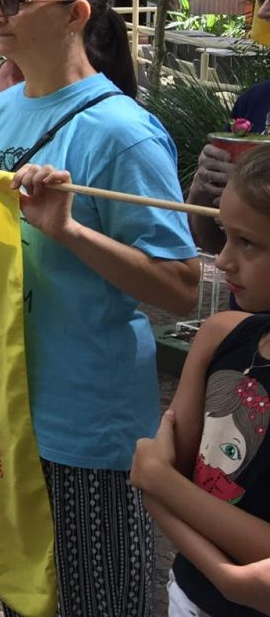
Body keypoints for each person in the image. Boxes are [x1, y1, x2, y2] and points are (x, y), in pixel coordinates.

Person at [0, 0, 200, 616]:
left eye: (14, 1)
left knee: (95, 598)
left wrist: (68, 229)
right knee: (10, 590)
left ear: (74, 13)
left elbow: (180, 286)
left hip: (84, 415)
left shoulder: (122, 132)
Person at [130, 144, 270, 617]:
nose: (224, 261)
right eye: (225, 236)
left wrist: (159, 482)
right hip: (187, 595)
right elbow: (164, 478)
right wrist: (160, 483)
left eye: (248, 243)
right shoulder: (220, 336)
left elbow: (156, 476)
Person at [187, 0, 270, 217]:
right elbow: (215, 245)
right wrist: (200, 193)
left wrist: (253, 191)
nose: (263, 12)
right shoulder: (254, 100)